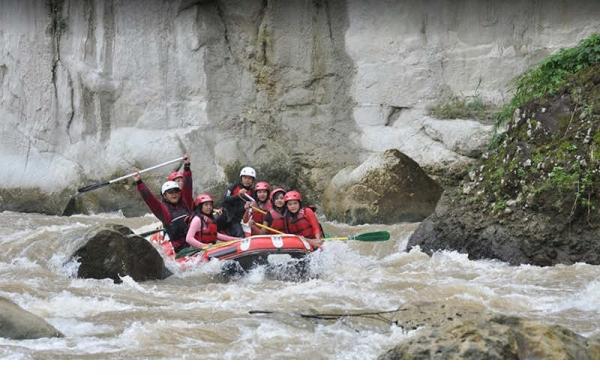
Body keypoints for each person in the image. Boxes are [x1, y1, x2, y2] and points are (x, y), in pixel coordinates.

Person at [134, 155, 193, 253]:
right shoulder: (164, 211)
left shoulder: (186, 203)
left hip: (199, 244)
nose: (174, 194)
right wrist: (139, 182)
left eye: (176, 191)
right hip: (183, 250)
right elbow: (149, 199)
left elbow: (188, 186)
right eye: (170, 192)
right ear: (164, 196)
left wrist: (187, 166)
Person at [220, 166, 256, 237]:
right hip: (230, 217)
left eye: (249, 178)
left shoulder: (253, 192)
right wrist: (238, 196)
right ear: (241, 178)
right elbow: (225, 200)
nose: (247, 180)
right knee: (240, 234)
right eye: (245, 178)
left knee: (243, 234)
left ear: (252, 180)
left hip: (242, 219)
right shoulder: (234, 187)